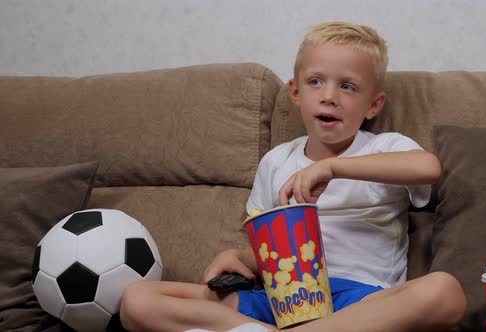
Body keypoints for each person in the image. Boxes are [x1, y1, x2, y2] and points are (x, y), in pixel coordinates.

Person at [119, 22, 466, 332]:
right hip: (281, 299)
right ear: (296, 93)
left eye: (347, 86)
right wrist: (241, 258)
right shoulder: (276, 161)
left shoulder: (383, 148)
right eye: (316, 82)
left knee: (443, 291)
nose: (329, 96)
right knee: (138, 300)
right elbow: (272, 248)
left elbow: (427, 167)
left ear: (373, 105)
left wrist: (333, 168)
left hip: (360, 304)